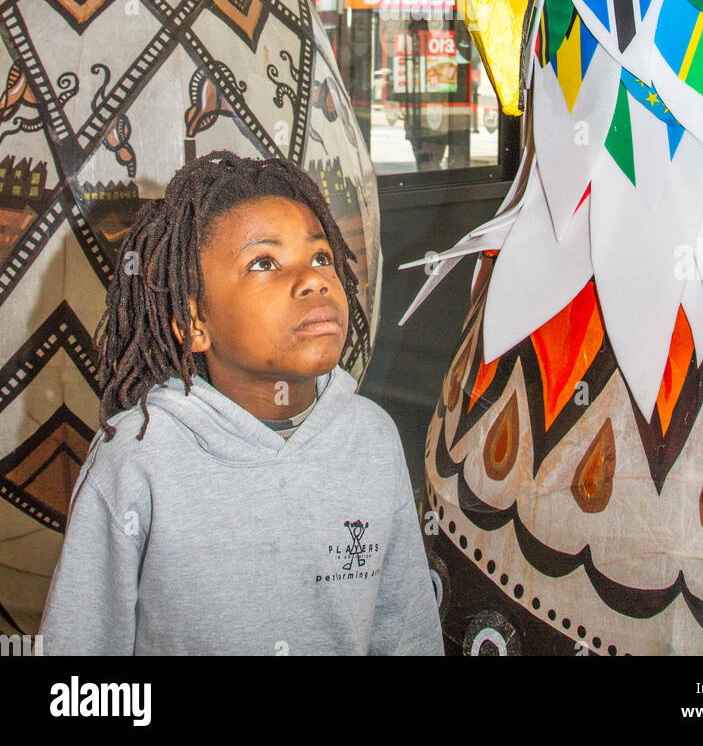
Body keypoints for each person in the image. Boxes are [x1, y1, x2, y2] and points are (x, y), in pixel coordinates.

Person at [40, 150, 443, 656]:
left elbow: (405, 631)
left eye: (321, 257)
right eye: (264, 263)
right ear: (193, 324)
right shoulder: (137, 457)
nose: (315, 278)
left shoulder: (372, 436)